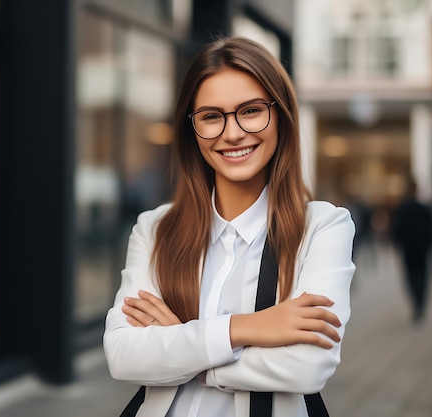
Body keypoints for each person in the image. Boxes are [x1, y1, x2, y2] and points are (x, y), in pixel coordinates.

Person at [103, 36, 355, 417]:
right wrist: (245, 328)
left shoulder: (323, 227)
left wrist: (183, 348)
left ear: (281, 115)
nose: (232, 133)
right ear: (192, 128)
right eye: (211, 116)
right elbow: (123, 356)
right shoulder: (155, 229)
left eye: (250, 110)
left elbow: (307, 366)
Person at [391, 177, 432, 324]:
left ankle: (416, 303)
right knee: (423, 277)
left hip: (408, 249)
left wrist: (397, 244)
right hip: (422, 249)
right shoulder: (425, 208)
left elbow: (396, 229)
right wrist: (429, 245)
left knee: (410, 277)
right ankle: (420, 303)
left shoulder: (402, 209)